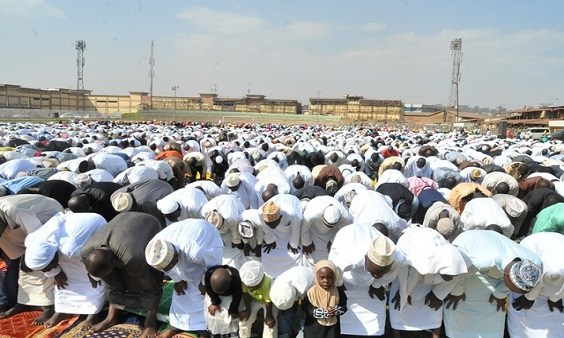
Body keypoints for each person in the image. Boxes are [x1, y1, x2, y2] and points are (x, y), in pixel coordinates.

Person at [443, 230, 542, 338]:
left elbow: (513, 282)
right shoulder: (483, 261)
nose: (512, 293)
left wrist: (500, 293)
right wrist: (457, 292)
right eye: (513, 290)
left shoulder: (534, 264)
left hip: (493, 257)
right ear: (506, 276)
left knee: (492, 307)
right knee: (460, 302)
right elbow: (460, 270)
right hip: (468, 249)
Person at [81, 212, 164, 337]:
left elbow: (147, 282)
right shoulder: (86, 252)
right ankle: (111, 318)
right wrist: (93, 276)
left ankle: (150, 322)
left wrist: (152, 291)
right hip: (122, 228)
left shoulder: (131, 256)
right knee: (114, 284)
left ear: (114, 262)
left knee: (151, 283)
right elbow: (110, 281)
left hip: (149, 226)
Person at [23, 212, 108, 328]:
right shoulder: (33, 242)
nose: (48, 270)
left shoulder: (71, 250)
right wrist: (55, 272)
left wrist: (93, 274)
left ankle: (92, 314)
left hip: (95, 226)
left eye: (49, 267)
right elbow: (44, 264)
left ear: (54, 257)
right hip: (71, 234)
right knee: (62, 278)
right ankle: (63, 310)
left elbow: (92, 260)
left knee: (93, 278)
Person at [145, 219, 223, 338]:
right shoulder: (154, 251)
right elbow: (166, 268)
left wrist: (205, 283)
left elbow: (213, 265)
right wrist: (177, 279)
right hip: (184, 238)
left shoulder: (197, 251)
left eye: (171, 265)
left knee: (204, 294)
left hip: (207, 239)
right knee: (181, 293)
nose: (169, 270)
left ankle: (203, 328)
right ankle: (175, 327)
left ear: (176, 256)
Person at [389, 227, 468, 338]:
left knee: (435, 302)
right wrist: (404, 293)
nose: (450, 279)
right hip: (408, 253)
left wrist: (438, 294)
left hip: (431, 250)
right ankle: (397, 332)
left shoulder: (457, 259)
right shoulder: (421, 260)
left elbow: (456, 276)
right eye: (447, 276)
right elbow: (409, 274)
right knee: (399, 300)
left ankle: (435, 334)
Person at [329, 224, 405, 337]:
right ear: (365, 259)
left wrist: (376, 285)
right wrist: (339, 285)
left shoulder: (397, 258)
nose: (377, 275)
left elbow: (389, 275)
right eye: (374, 272)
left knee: (375, 324)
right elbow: (334, 269)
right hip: (347, 276)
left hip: (369, 281)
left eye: (381, 272)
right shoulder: (349, 257)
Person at [0, 194, 64, 324]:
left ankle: (48, 306)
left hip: (47, 216)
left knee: (38, 260)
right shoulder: (3, 224)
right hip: (16, 225)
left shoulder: (13, 209)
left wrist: (28, 256)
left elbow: (38, 238)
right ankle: (21, 301)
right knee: (14, 263)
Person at [507, 232, 564, 338]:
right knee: (524, 285)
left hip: (555, 247)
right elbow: (541, 278)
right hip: (533, 246)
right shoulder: (554, 270)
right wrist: (529, 297)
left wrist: (555, 298)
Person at [258, 195, 304, 278]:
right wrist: (270, 240)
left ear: (281, 217)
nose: (271, 226)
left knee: (294, 252)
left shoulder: (292, 213)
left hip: (292, 202)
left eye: (273, 224)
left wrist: (294, 244)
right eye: (269, 224)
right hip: (277, 202)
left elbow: (296, 229)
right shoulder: (260, 212)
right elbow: (265, 227)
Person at [303, 260, 347, 338]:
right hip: (313, 330)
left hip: (332, 330)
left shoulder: (338, 291)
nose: (326, 281)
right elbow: (307, 309)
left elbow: (344, 307)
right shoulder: (311, 292)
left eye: (329, 277)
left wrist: (335, 311)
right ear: (316, 277)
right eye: (322, 278)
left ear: (334, 277)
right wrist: (324, 313)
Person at [301, 195, 352, 263]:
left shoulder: (345, 217)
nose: (328, 227)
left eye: (331, 226)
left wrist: (333, 241)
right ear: (322, 216)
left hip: (333, 232)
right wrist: (307, 243)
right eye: (327, 225)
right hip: (313, 229)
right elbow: (304, 229)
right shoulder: (311, 214)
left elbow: (345, 231)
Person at [269, 266, 316, 338]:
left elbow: (307, 304)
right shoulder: (276, 285)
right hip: (291, 284)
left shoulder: (304, 287)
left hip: (309, 284)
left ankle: (302, 333)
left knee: (306, 314)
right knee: (286, 314)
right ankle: (285, 335)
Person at [239, 260, 278, 338]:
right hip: (255, 300)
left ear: (261, 281)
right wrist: (248, 310)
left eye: (253, 287)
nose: (251, 289)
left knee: (270, 325)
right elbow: (246, 294)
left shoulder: (268, 282)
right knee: (244, 320)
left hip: (269, 303)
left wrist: (269, 316)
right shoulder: (245, 279)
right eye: (249, 287)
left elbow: (268, 301)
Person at [204, 265, 243, 337]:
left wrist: (233, 310)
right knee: (213, 313)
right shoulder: (209, 274)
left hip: (230, 296)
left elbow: (237, 294)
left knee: (231, 318)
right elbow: (208, 289)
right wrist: (215, 302)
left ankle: (232, 333)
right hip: (214, 296)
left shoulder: (235, 276)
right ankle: (215, 334)